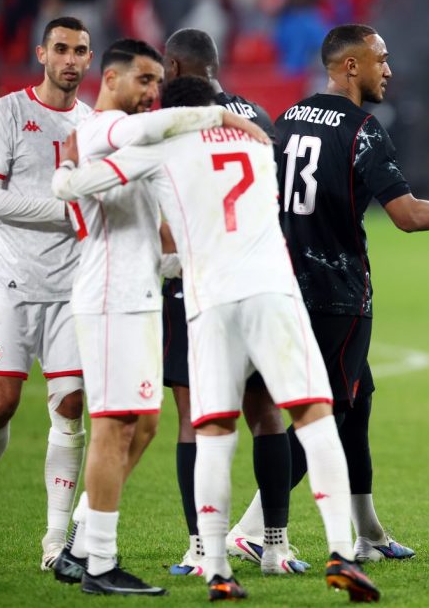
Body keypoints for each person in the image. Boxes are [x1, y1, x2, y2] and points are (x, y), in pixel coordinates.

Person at [52, 74, 382, 603]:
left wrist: (70, 162)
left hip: (209, 301)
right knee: (314, 418)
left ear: (172, 111)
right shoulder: (255, 139)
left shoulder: (158, 148)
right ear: (213, 105)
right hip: (273, 290)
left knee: (212, 432)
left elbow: (73, 190)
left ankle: (216, 568)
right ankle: (341, 552)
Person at [227, 23, 429, 563]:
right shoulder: (363, 129)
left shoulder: (289, 117)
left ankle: (369, 533)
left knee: (359, 402)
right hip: (336, 294)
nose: (389, 70)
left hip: (285, 285)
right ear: (351, 66)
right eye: (381, 59)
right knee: (322, 417)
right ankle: (252, 527)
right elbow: (408, 216)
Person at [48, 38, 268, 595]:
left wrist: (180, 262)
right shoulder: (104, 129)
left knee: (143, 426)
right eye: (144, 81)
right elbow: (151, 134)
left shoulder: (119, 143)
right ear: (113, 79)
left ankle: (81, 541)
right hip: (109, 299)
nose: (152, 93)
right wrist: (217, 114)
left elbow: (144, 225)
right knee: (114, 428)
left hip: (139, 294)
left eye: (155, 83)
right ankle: (97, 562)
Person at [159, 27, 308, 576]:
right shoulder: (256, 119)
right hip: (257, 279)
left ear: (173, 68)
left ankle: (201, 550)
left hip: (195, 284)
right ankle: (275, 545)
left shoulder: (172, 123)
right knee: (267, 414)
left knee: (193, 419)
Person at [0, 16, 94, 571]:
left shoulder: (92, 123)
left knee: (71, 407)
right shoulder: (4, 113)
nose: (71, 60)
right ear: (41, 53)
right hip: (11, 283)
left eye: (80, 51)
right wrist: (66, 213)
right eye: (60, 49)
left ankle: (55, 541)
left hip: (70, 289)